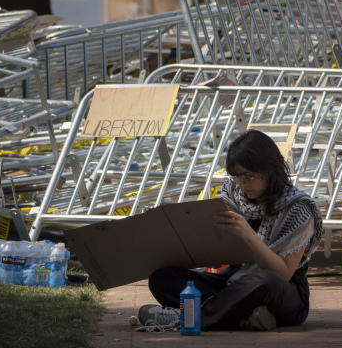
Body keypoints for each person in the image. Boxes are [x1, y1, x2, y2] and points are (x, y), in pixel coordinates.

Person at [134, 129, 323, 332]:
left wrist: (249, 236)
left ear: (270, 171)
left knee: (263, 280)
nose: (242, 185)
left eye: (249, 177)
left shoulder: (299, 209)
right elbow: (222, 251)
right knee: (163, 278)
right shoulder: (232, 194)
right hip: (233, 282)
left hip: (282, 293)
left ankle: (188, 318)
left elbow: (283, 273)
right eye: (237, 177)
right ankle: (245, 318)